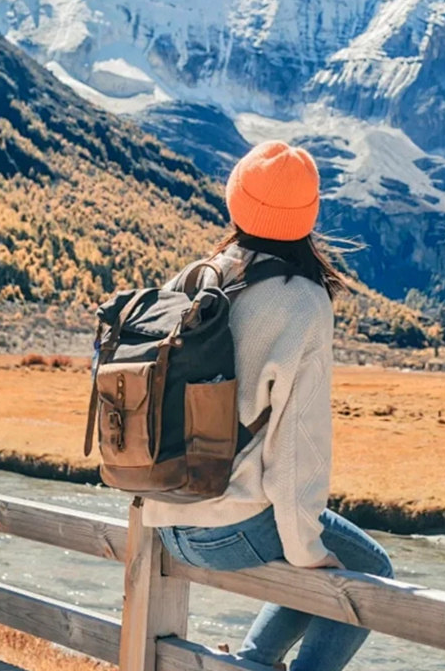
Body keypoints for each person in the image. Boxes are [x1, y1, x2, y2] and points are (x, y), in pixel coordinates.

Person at [142, 140, 394, 671]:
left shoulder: (196, 276)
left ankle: (254, 662)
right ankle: (258, 660)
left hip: (164, 520)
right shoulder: (303, 298)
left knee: (314, 547)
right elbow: (298, 452)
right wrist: (307, 551)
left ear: (237, 200)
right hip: (228, 533)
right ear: (308, 217)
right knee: (370, 568)